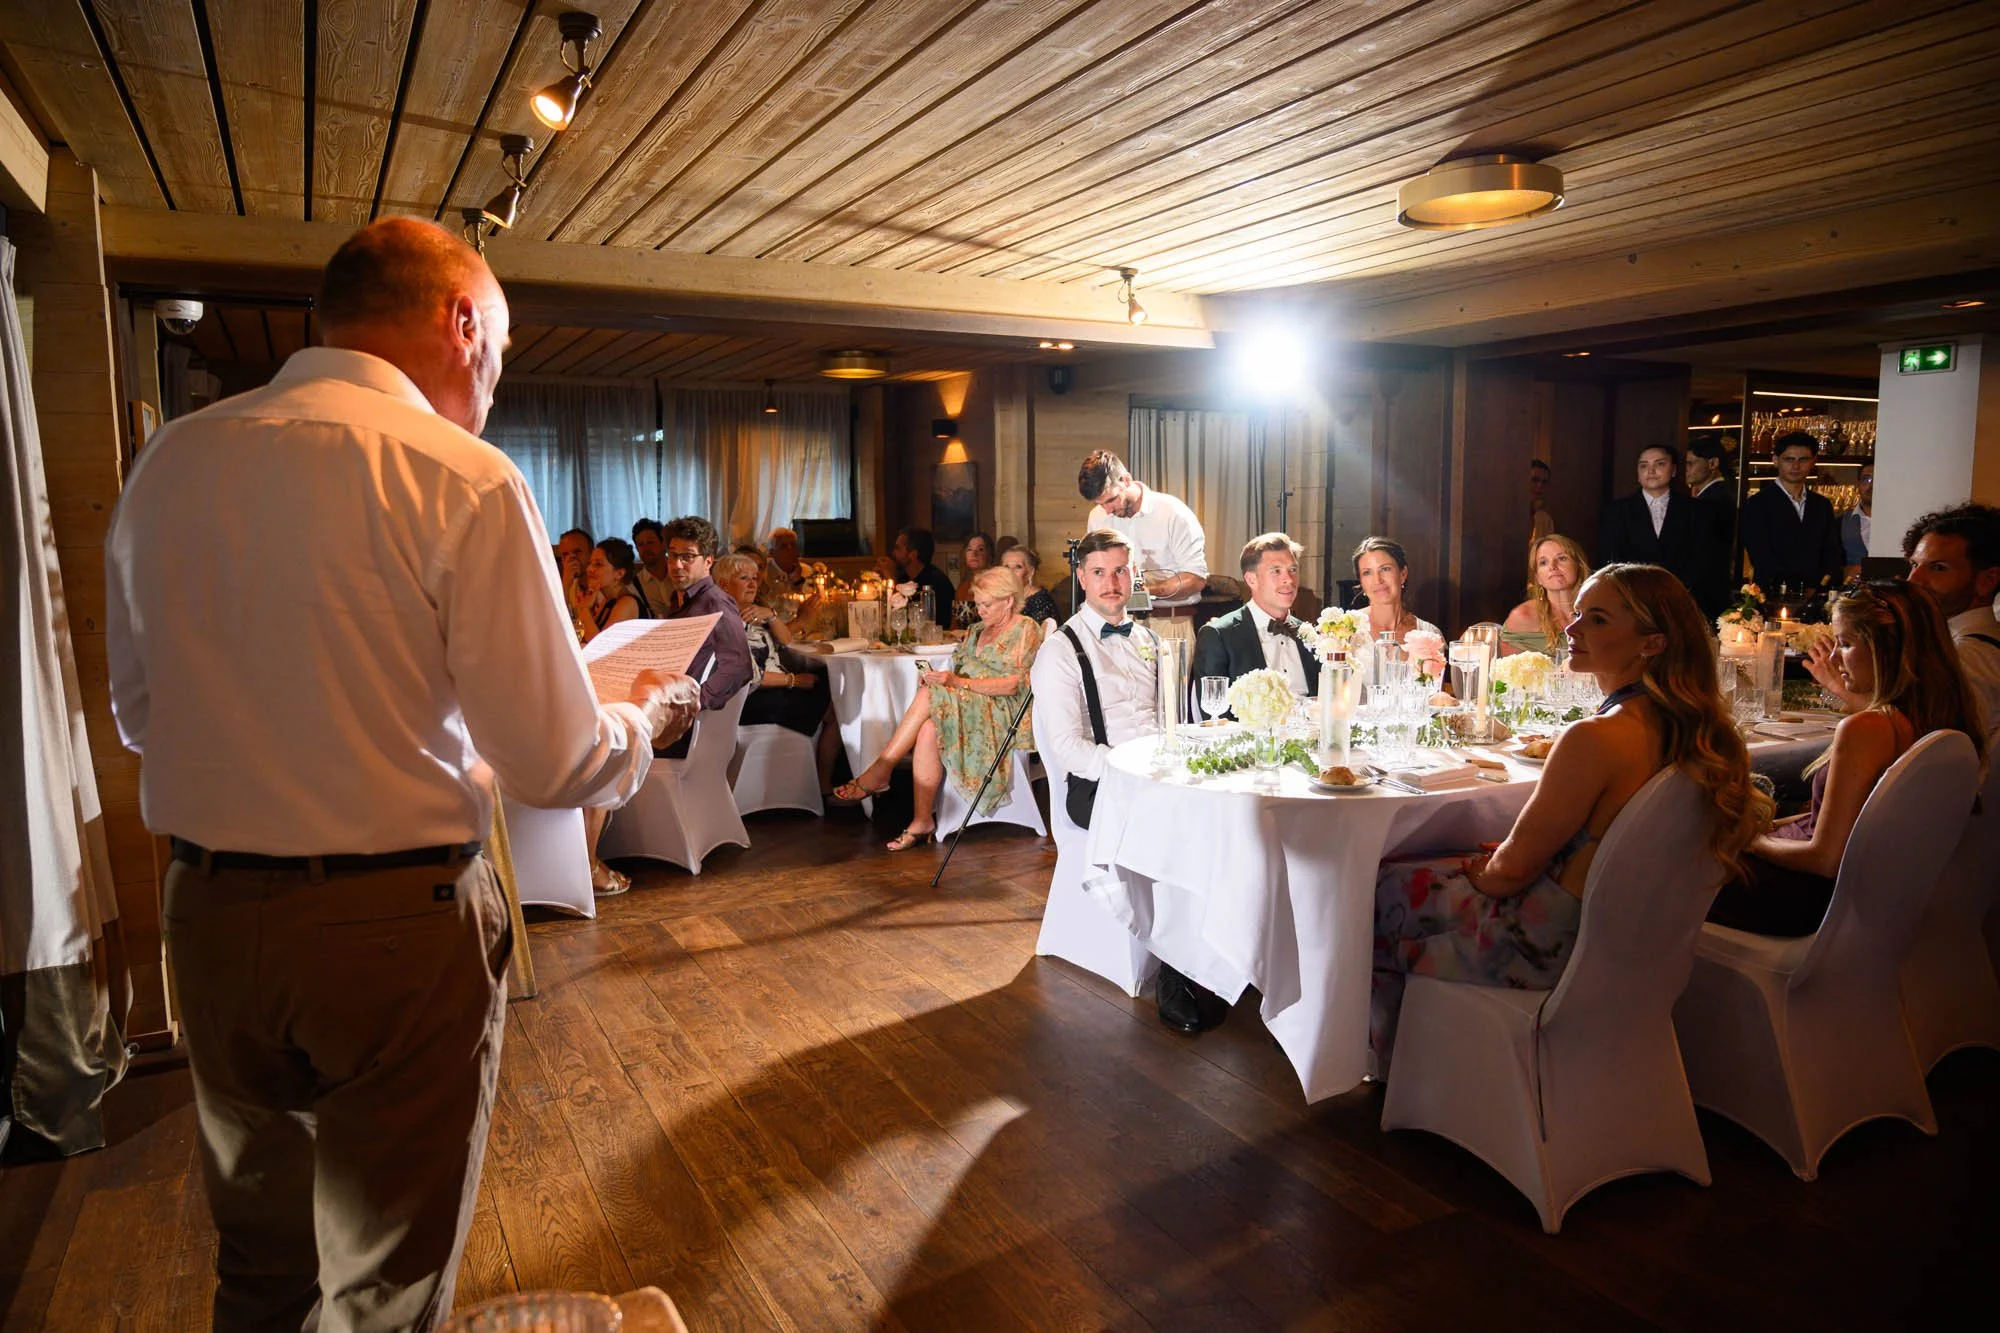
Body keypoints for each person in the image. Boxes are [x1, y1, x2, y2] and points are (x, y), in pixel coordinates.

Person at [103, 217, 700, 1331]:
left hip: (211, 915)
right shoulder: (457, 475)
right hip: (392, 922)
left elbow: (142, 716)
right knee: (384, 1281)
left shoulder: (169, 462)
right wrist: (642, 717)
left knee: (261, 1263)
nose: (495, 373)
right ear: (460, 320)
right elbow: (554, 757)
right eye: (502, 346)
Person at [1371, 564, 1766, 1068]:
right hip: (1632, 944)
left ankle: (1404, 1070)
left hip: (1549, 945)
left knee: (1380, 884)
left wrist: (1477, 871)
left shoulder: (1595, 739)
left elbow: (1509, 873)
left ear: (1653, 643)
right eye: (1577, 615)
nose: (1573, 630)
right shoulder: (1705, 734)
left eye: (1596, 620)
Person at [1708, 582, 1986, 936]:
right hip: (1871, 898)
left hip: (1809, 898)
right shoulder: (1937, 717)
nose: (1835, 658)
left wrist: (1747, 841)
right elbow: (1846, 819)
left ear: (1890, 650)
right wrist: (1769, 827)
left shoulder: (1867, 729)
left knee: (1667, 871)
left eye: (1848, 643)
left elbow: (1826, 858)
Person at [831, 567, 1042, 850]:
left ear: (1008, 600)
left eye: (987, 604)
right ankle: (922, 820)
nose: (980, 611)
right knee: (929, 727)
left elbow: (1014, 685)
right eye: (977, 603)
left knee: (931, 695)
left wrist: (955, 683)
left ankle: (882, 769)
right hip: (969, 706)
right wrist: (939, 678)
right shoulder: (977, 630)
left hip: (1004, 711)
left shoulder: (1025, 628)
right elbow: (957, 672)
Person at [713, 553, 841, 795]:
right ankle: (823, 787)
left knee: (832, 685)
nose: (753, 584)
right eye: (743, 578)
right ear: (723, 584)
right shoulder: (726, 619)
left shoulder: (748, 612)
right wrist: (793, 681)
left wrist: (770, 615)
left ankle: (816, 779)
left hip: (766, 692)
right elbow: (748, 675)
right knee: (838, 706)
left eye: (754, 578)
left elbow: (786, 639)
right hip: (748, 702)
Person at [1078, 449, 1208, 647]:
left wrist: (1150, 591)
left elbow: (1196, 578)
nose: (1108, 510)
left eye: (1111, 500)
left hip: (1169, 623)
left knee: (1169, 680)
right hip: (1117, 624)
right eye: (1100, 503)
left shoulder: (1173, 513)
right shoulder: (1098, 516)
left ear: (1126, 480)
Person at [1194, 533, 1321, 699]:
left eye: (1293, 570)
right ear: (1251, 580)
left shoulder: (1308, 633)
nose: (1288, 580)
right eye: (1276, 571)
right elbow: (1214, 715)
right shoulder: (1219, 636)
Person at [660, 515, 754, 714]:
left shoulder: (715, 602)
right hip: (668, 699)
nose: (677, 564)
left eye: (687, 556)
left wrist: (696, 702)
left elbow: (739, 667)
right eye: (673, 555)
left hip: (686, 719)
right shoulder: (682, 600)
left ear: (708, 561)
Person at [1738, 431, 1844, 594]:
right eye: (1789, 459)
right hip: (1772, 593)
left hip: (1816, 595)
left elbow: (1831, 552)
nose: (1796, 466)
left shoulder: (1821, 504)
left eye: (1803, 459)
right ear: (1775, 460)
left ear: (1813, 462)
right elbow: (1760, 555)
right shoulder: (1757, 504)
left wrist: (1820, 585)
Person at [1600, 444, 1694, 588]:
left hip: (1681, 594)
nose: (1651, 471)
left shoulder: (1695, 510)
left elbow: (1701, 560)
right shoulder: (1617, 511)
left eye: (1660, 464)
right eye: (1643, 466)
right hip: (1633, 595)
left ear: (1674, 470)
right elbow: (1611, 560)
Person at [1501, 534, 1591, 656]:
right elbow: (1509, 672)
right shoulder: (1523, 616)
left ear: (1579, 566)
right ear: (1538, 578)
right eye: (1543, 562)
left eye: (1562, 558)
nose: (1553, 567)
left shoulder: (1600, 612)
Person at [1683, 436, 1737, 618]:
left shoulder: (1713, 499)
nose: (1686, 470)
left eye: (1690, 463)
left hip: (1707, 591)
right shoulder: (1713, 496)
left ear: (1713, 463)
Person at [1351, 536, 1441, 644]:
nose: (1378, 580)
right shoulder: (1342, 630)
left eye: (1385, 569)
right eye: (1367, 573)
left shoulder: (1430, 634)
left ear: (1403, 573)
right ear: (1361, 581)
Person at [577, 537, 651, 644]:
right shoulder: (607, 601)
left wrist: (584, 609)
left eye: (598, 564)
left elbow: (601, 646)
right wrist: (582, 609)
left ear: (619, 573)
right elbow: (579, 636)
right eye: (590, 563)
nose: (589, 569)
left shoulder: (627, 603)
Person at [891, 524, 958, 623]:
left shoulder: (937, 583)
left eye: (898, 549)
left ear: (913, 555)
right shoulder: (905, 577)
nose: (893, 553)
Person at [1001, 543, 1060, 624]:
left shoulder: (1041, 602)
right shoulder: (1002, 598)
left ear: (1030, 572)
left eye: (1018, 567)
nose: (1011, 572)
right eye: (1006, 567)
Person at [631, 517, 673, 614]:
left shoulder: (681, 573)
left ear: (664, 543)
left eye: (650, 542)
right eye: (641, 544)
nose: (646, 549)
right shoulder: (635, 585)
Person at [1840, 464, 1874, 581]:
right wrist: (1844, 571)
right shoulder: (1840, 522)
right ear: (1858, 484)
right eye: (1866, 479)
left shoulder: (1899, 521)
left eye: (1877, 479)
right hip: (1850, 594)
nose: (1871, 485)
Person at [556, 526, 592, 626]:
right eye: (565, 555)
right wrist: (566, 584)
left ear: (591, 553)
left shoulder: (605, 581)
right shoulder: (564, 585)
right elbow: (556, 621)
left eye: (577, 552)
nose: (571, 558)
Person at [954, 530, 995, 603]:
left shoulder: (996, 585)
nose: (974, 554)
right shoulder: (962, 588)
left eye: (980, 549)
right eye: (969, 549)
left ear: (990, 555)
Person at [1529, 458, 1555, 545]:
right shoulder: (1509, 517)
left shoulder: (1545, 520)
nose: (1540, 485)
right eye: (1535, 480)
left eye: (1544, 482)